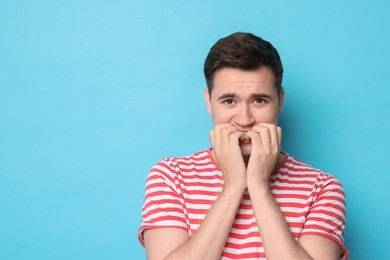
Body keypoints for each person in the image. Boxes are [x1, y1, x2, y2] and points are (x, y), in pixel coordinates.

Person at [138, 32, 348, 259]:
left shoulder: (322, 189)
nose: (245, 119)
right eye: (229, 101)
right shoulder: (170, 177)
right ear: (209, 102)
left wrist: (259, 186)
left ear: (280, 101)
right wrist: (233, 186)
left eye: (259, 100)